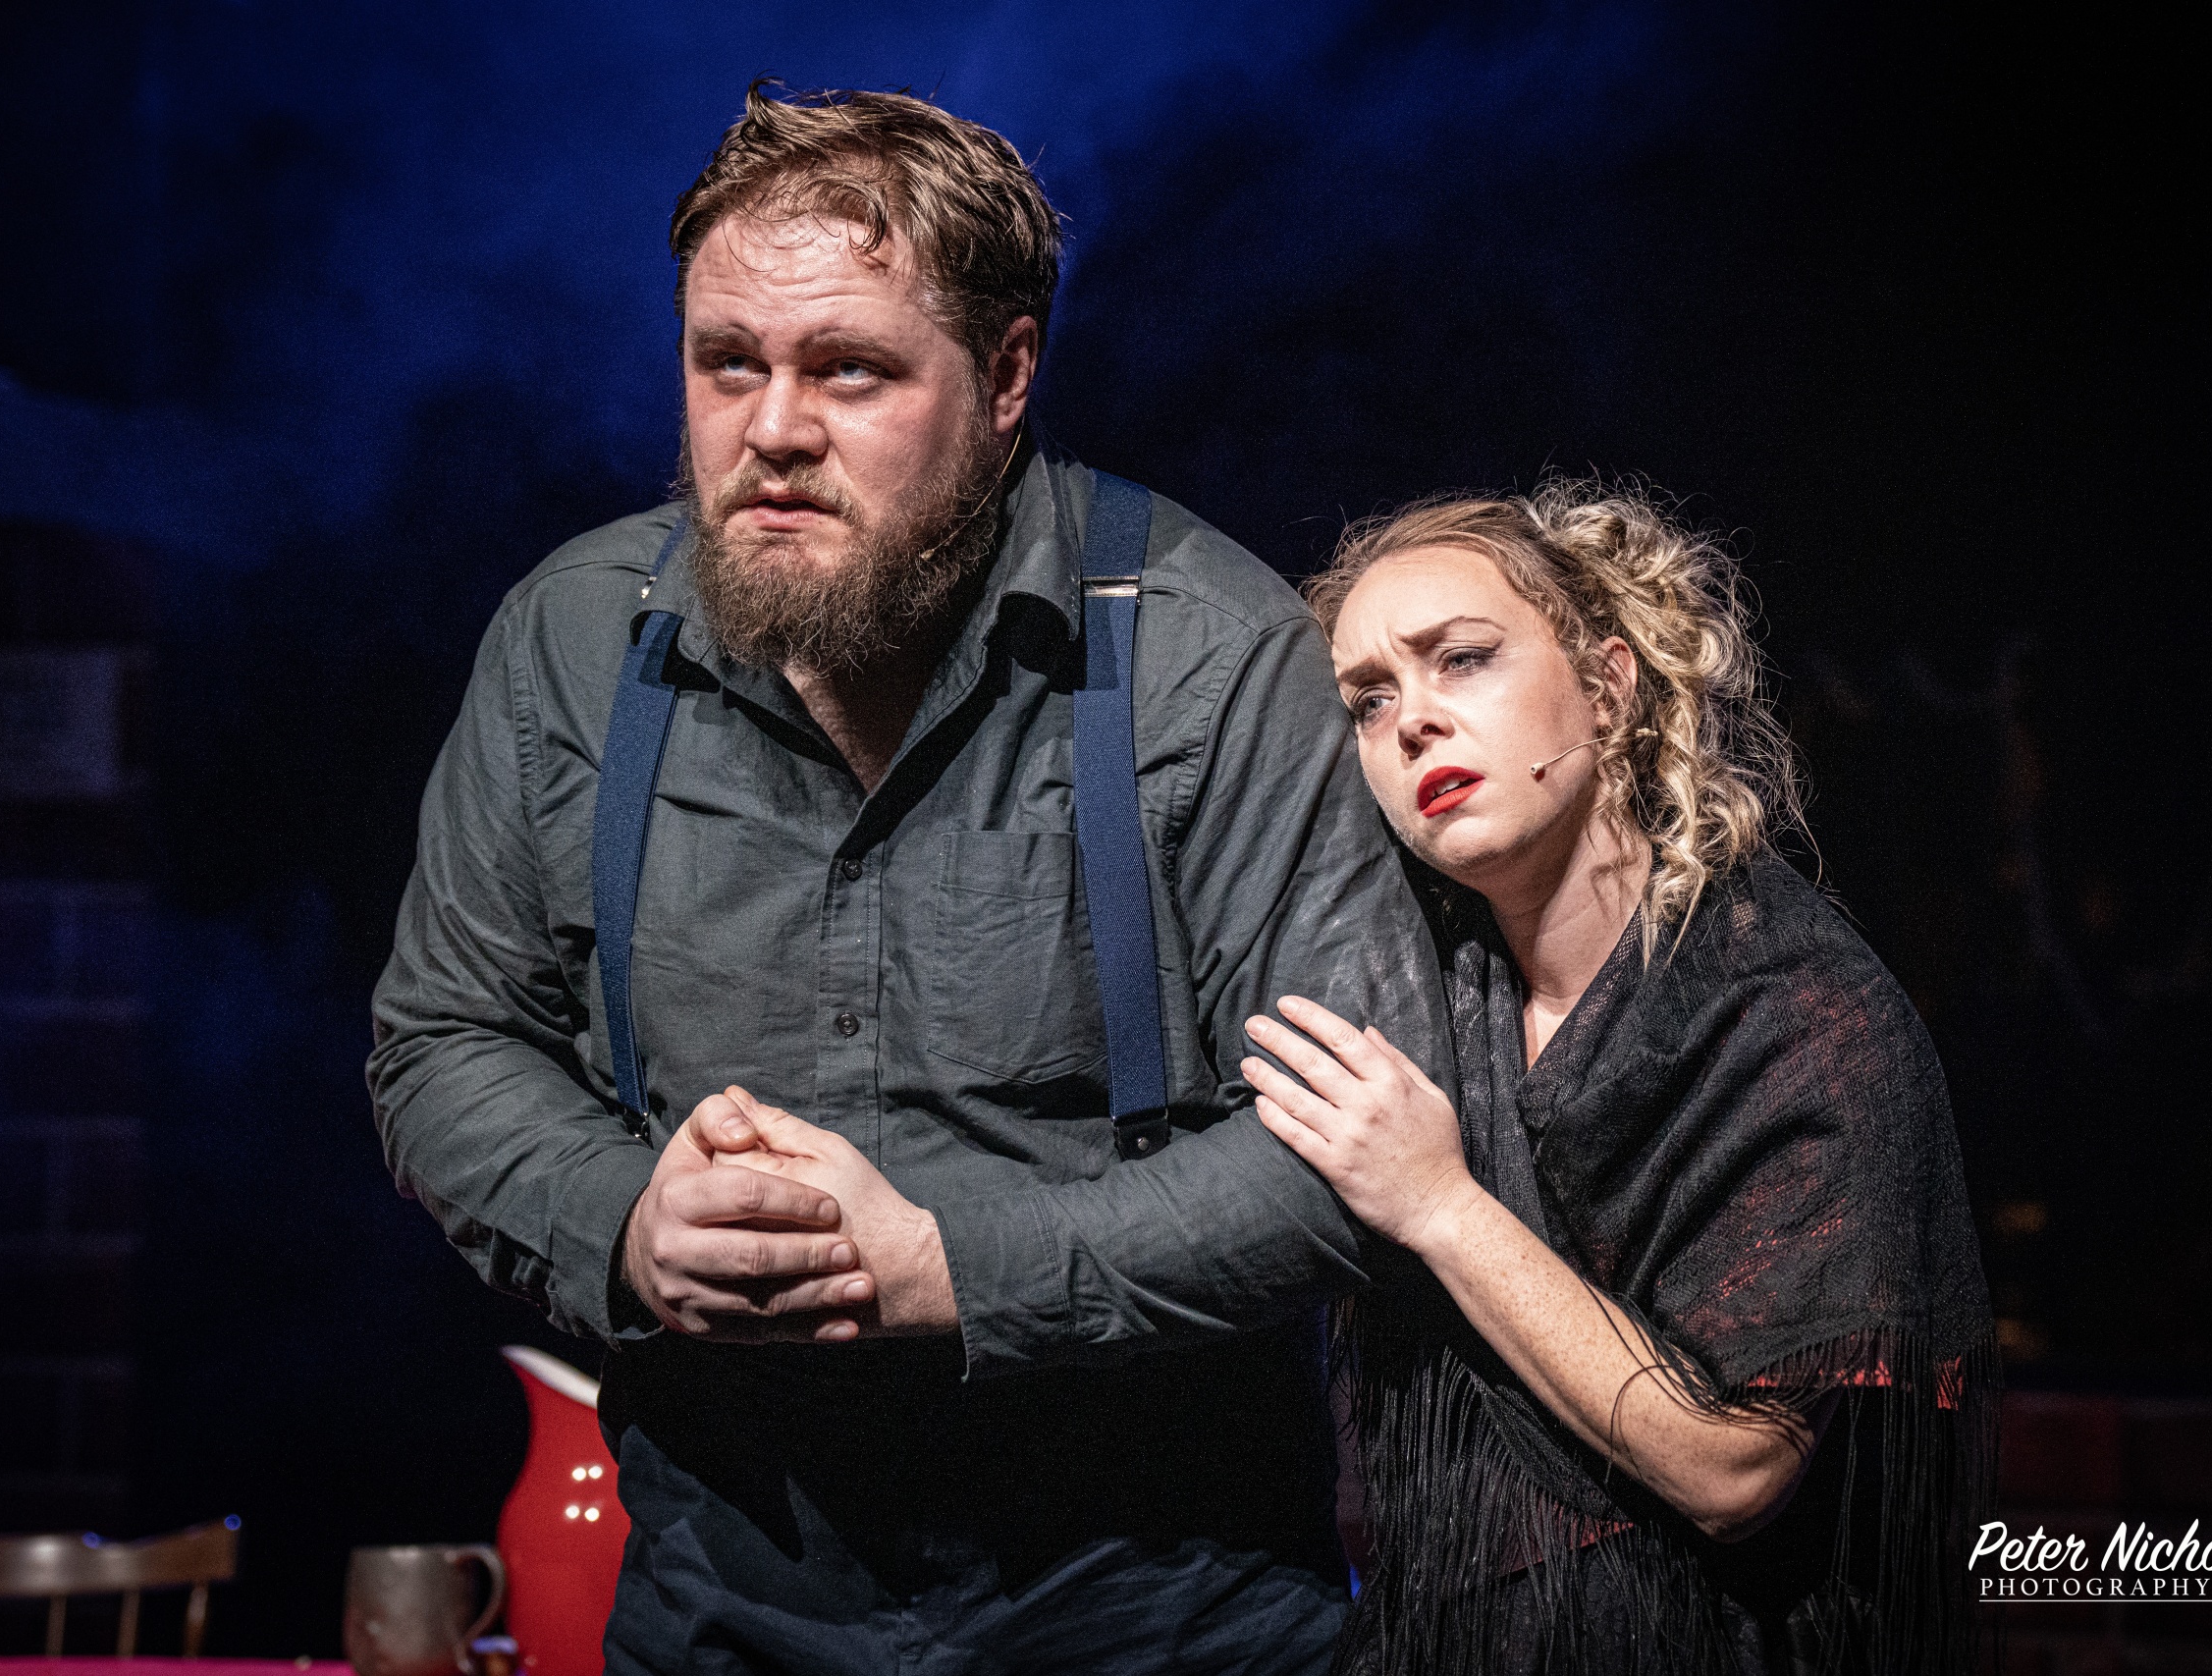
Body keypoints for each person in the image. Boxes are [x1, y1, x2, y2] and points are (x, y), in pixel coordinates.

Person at [365, 83, 1451, 1674]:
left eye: (849, 370)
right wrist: (627, 1221)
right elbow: (444, 1039)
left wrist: (949, 1267)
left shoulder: (1204, 659)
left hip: (1157, 1612)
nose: (773, 428)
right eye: (727, 363)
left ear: (1007, 375)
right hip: (720, 1602)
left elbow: (1346, 1160)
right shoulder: (576, 644)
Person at [1237, 482, 1995, 1673]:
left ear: (1607, 686)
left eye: (1462, 660)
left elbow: (1737, 1467)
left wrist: (1438, 1204)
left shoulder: (1793, 1010)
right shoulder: (1415, 1011)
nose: (1413, 721)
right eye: (1368, 700)